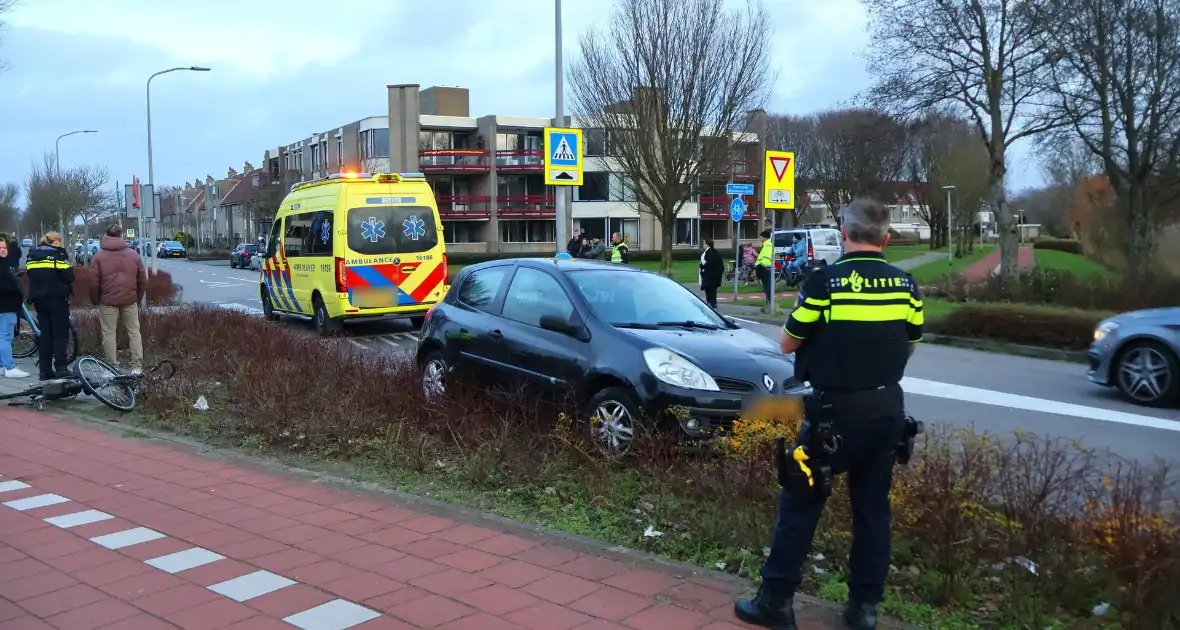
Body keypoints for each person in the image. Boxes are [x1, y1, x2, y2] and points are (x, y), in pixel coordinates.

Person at [734, 199, 924, 630]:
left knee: (800, 504)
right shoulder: (905, 285)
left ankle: (776, 602)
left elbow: (787, 342)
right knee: (873, 514)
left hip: (833, 418)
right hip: (886, 415)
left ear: (844, 233)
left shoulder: (825, 282)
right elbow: (910, 343)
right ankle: (864, 610)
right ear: (886, 238)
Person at [90, 224, 145, 374]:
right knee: (134, 332)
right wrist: (137, 298)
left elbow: (94, 283)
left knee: (109, 333)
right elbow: (142, 280)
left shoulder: (98, 257)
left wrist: (96, 300)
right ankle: (137, 366)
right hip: (129, 300)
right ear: (121, 235)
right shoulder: (133, 255)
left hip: (107, 301)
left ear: (106, 235)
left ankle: (111, 367)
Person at [25, 232, 74, 380]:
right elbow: (69, 276)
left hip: (39, 301)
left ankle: (44, 371)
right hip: (57, 299)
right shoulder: (58, 256)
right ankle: (61, 367)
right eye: (60, 241)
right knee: (60, 335)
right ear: (56, 242)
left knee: (46, 335)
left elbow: (30, 274)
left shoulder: (32, 256)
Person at [0, 239, 29, 379]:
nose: (3, 250)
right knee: (5, 337)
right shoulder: (2, 268)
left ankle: (2, 366)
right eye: (0, 247)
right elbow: (7, 286)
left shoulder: (5, 265)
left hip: (6, 306)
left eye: (4, 247)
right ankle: (9, 367)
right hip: (6, 306)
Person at [699, 238, 723, 307]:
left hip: (709, 273)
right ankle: (713, 302)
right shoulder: (715, 252)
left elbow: (708, 262)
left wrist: (702, 267)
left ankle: (710, 302)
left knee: (708, 288)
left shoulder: (708, 252)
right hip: (716, 274)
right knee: (713, 289)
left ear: (707, 244)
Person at [754, 229, 774, 312]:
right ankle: (768, 307)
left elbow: (765, 260)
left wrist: (759, 268)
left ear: (764, 237)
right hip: (765, 270)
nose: (759, 239)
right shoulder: (767, 245)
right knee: (767, 289)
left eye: (760, 237)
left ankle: (771, 307)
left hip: (765, 270)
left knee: (768, 289)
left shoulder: (768, 246)